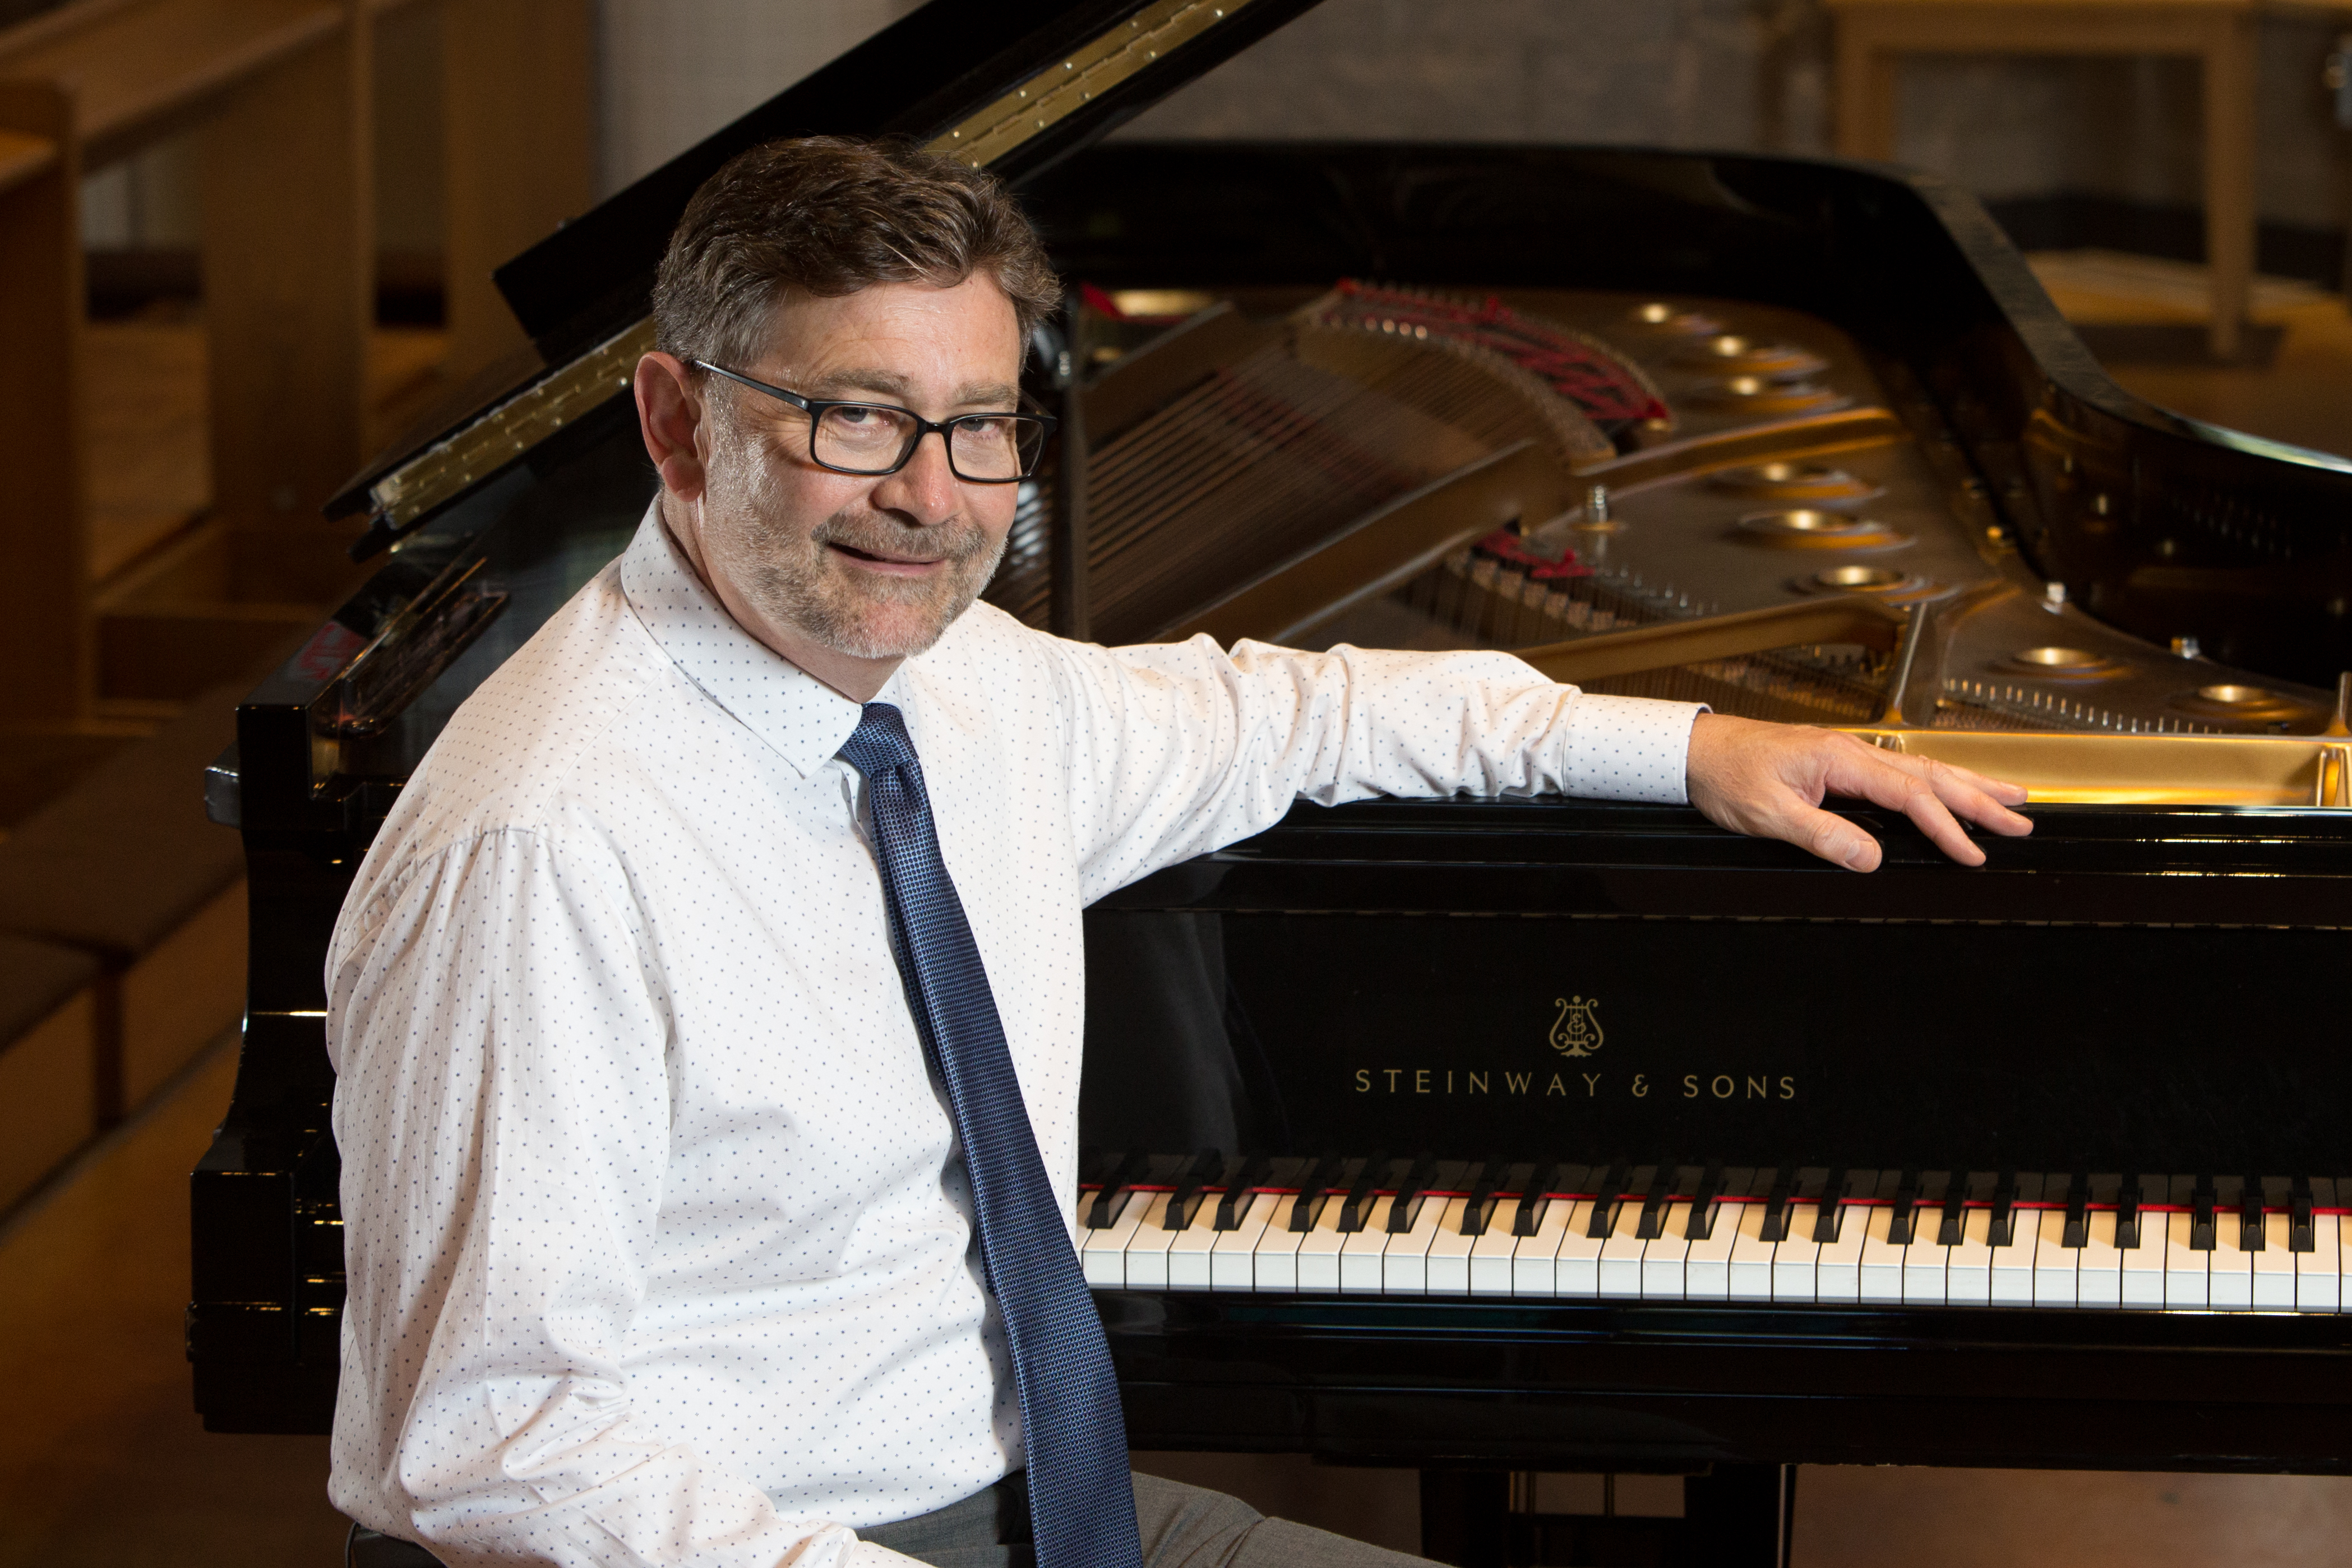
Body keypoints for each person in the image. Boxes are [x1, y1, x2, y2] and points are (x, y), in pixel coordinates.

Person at [325, 136, 2030, 1568]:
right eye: (855, 419)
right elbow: (498, 1440)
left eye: (981, 423)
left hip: (1023, 1511)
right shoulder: (543, 846)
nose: (933, 497)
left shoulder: (963, 684)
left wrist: (1680, 743)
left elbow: (1296, 713)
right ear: (676, 423)